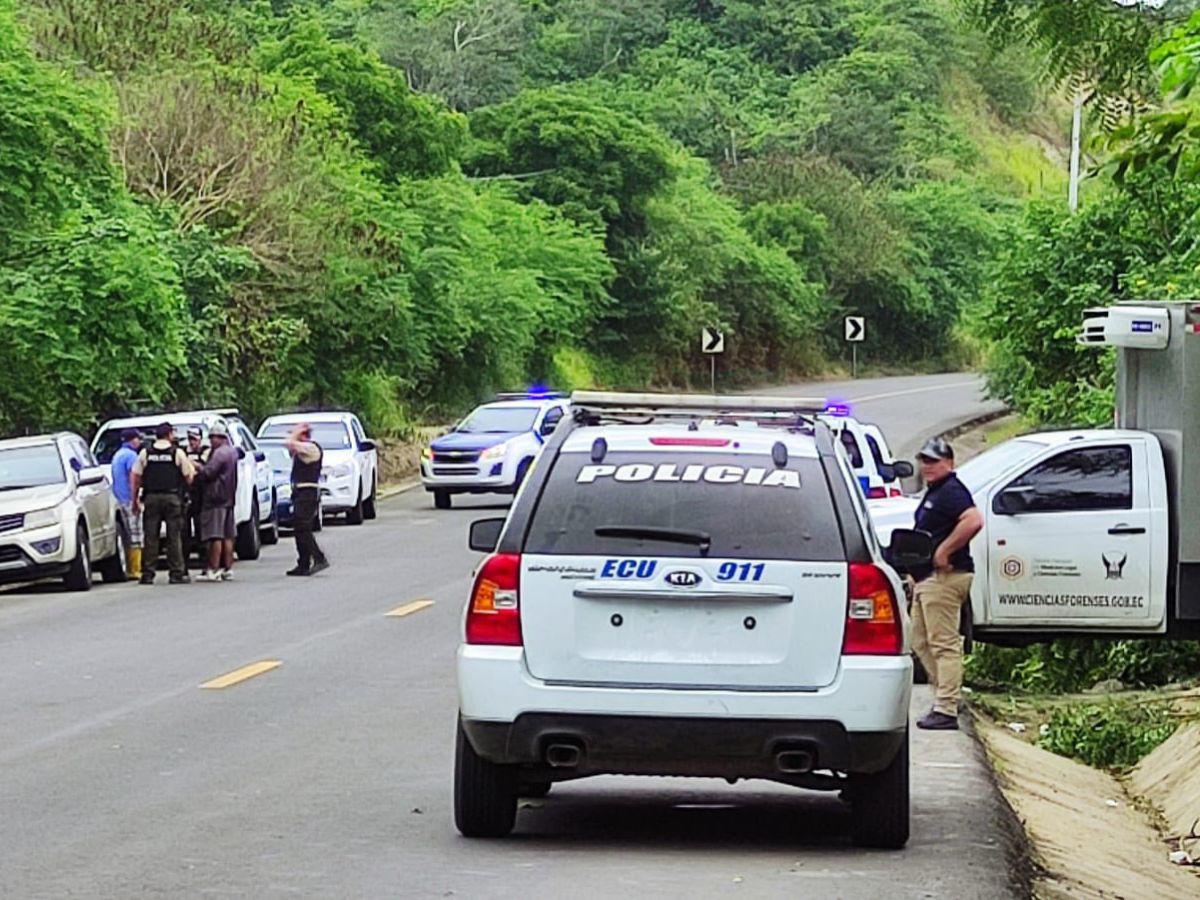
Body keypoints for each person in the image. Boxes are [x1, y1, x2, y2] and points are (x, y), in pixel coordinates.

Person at [908, 437, 984, 731]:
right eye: (924, 461)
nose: (927, 466)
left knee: (943, 644)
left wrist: (944, 551)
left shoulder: (951, 490)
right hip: (928, 579)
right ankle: (946, 695)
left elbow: (974, 520)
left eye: (934, 461)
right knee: (919, 641)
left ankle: (946, 708)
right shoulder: (936, 493)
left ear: (949, 464)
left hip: (946, 577)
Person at [131, 422, 195, 585]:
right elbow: (189, 476)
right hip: (172, 498)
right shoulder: (177, 453)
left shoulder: (146, 453)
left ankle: (147, 574)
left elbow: (136, 476)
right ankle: (176, 573)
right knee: (174, 537)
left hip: (151, 498)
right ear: (169, 435)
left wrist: (135, 499)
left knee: (151, 537)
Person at [194, 421, 238, 583]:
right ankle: (228, 568)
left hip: (215, 498)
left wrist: (198, 467)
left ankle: (213, 569)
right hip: (228, 498)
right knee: (228, 535)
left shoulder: (219, 454)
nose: (211, 441)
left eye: (213, 438)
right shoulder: (232, 452)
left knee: (215, 536)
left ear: (220, 437)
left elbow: (208, 473)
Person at [285, 422, 329, 576]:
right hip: (300, 492)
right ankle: (303, 562)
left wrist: (296, 431)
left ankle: (319, 557)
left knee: (304, 527)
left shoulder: (311, 448)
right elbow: (290, 448)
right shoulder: (302, 451)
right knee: (299, 528)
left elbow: (290, 443)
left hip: (308, 492)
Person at [110, 428, 143, 579]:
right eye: (138, 439)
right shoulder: (131, 456)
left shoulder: (118, 455)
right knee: (135, 534)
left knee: (126, 533)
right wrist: (136, 497)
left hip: (118, 498)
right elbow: (133, 477)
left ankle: (130, 568)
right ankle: (135, 569)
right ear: (132, 440)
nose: (139, 442)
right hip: (129, 498)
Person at [184, 427, 209, 563]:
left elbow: (204, 467)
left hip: (201, 493)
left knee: (201, 527)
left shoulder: (205, 450)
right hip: (187, 493)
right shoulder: (183, 451)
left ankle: (204, 557)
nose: (192, 442)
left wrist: (189, 463)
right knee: (185, 529)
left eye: (194, 439)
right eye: (190, 439)